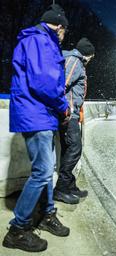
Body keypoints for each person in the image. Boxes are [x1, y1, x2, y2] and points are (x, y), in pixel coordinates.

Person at [2, 4, 71, 252]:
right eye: (65, 32)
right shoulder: (40, 41)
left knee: (45, 169)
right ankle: (18, 229)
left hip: (40, 114)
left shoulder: (38, 40)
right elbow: (45, 82)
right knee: (42, 172)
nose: (64, 38)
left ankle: (47, 213)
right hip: (36, 114)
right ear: (60, 27)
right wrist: (63, 106)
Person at [54, 37, 95, 204]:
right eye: (91, 56)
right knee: (75, 148)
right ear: (86, 54)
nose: (91, 60)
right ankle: (62, 188)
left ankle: (69, 186)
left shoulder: (76, 62)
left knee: (68, 148)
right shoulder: (74, 61)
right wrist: (66, 111)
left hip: (71, 113)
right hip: (68, 114)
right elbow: (61, 85)